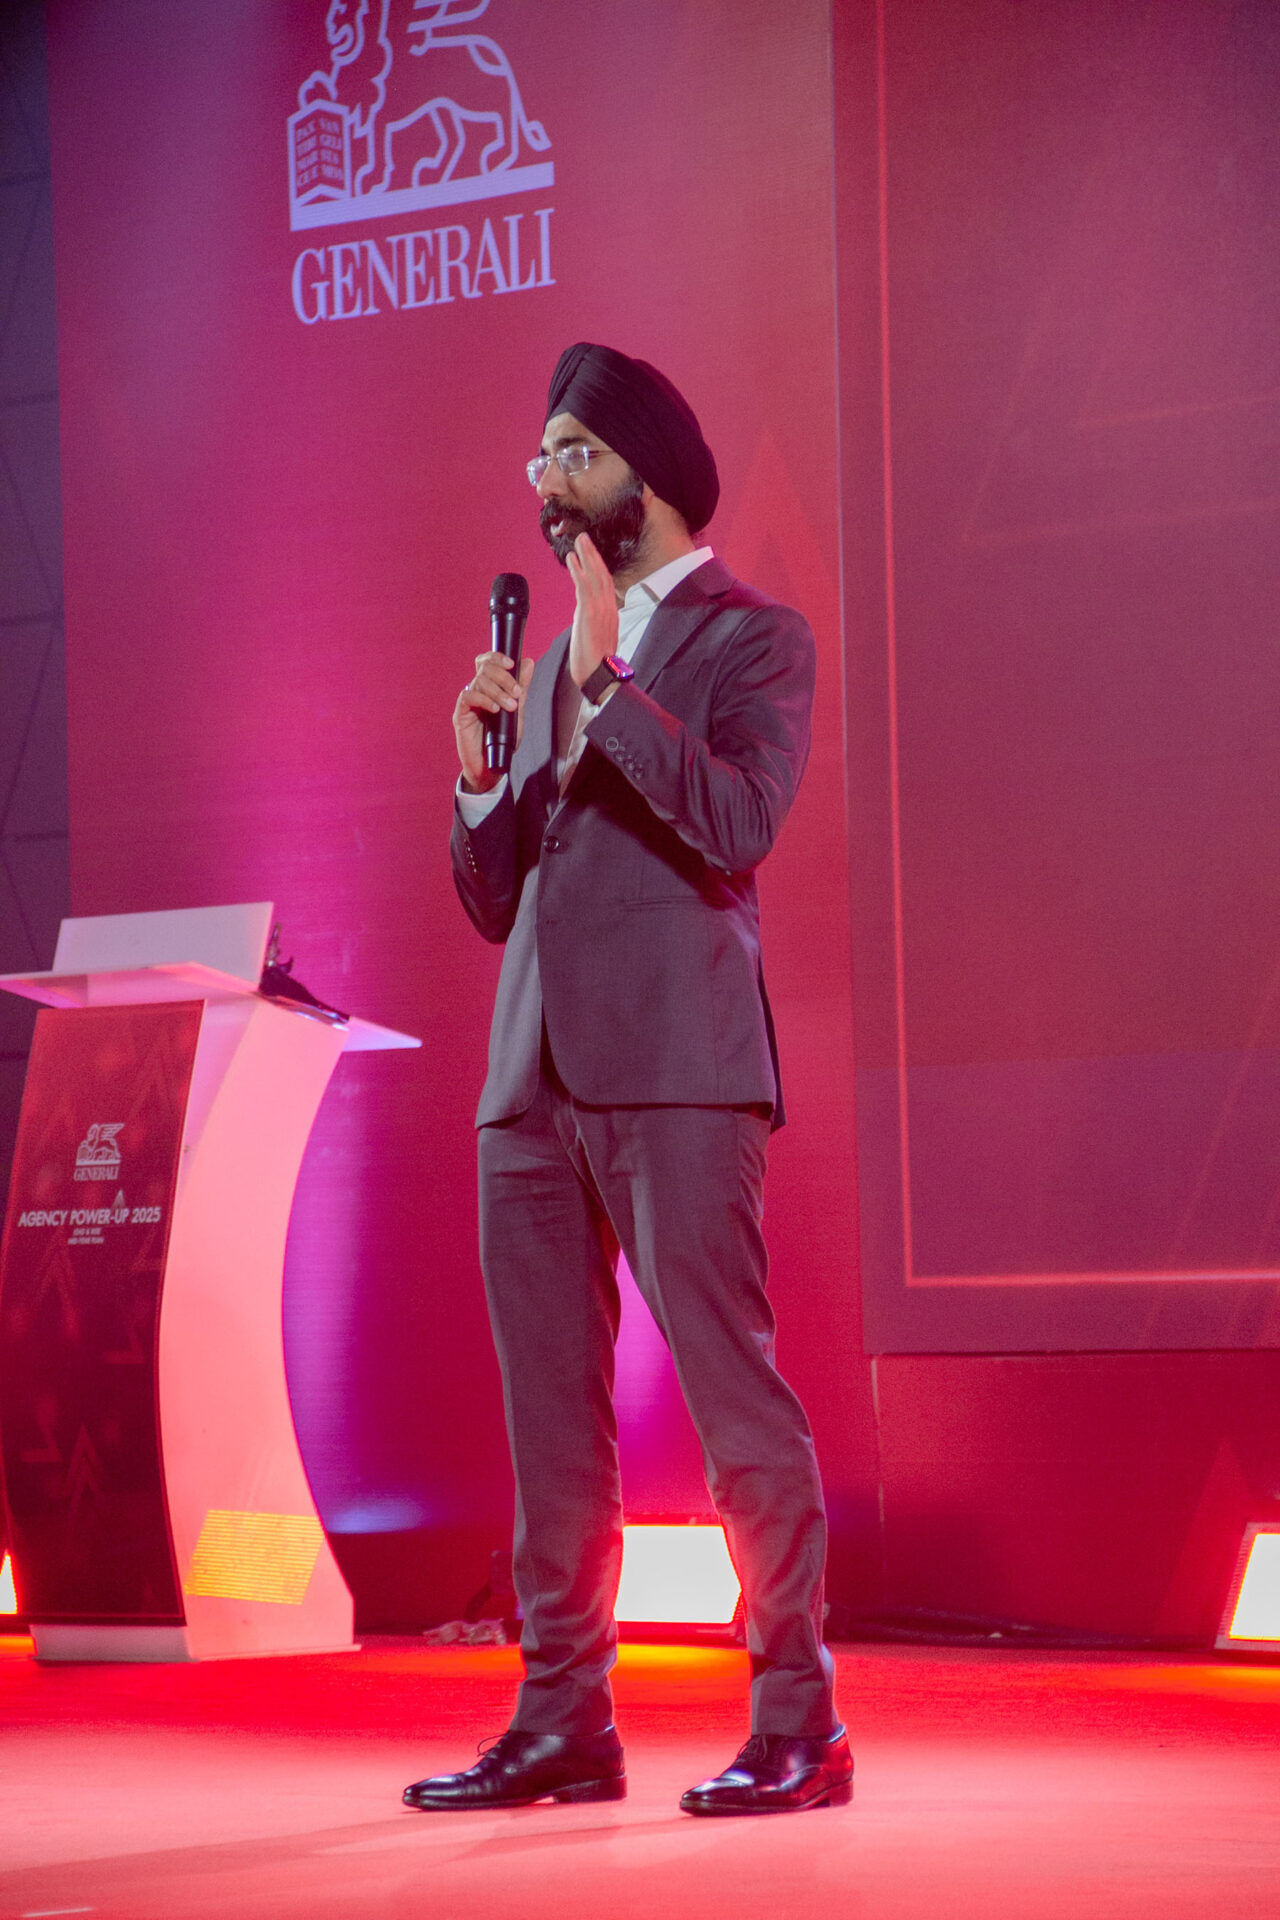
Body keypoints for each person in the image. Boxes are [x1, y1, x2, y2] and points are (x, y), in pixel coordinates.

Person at [403, 343, 852, 1817]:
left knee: (732, 1397)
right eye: (538, 457)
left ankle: (800, 1723)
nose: (544, 482)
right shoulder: (545, 669)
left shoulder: (752, 637)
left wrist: (608, 680)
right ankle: (563, 1722)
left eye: (570, 454)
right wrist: (483, 778)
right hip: (530, 1077)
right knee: (551, 1425)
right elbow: (501, 901)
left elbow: (740, 822)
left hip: (677, 1066)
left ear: (641, 475)